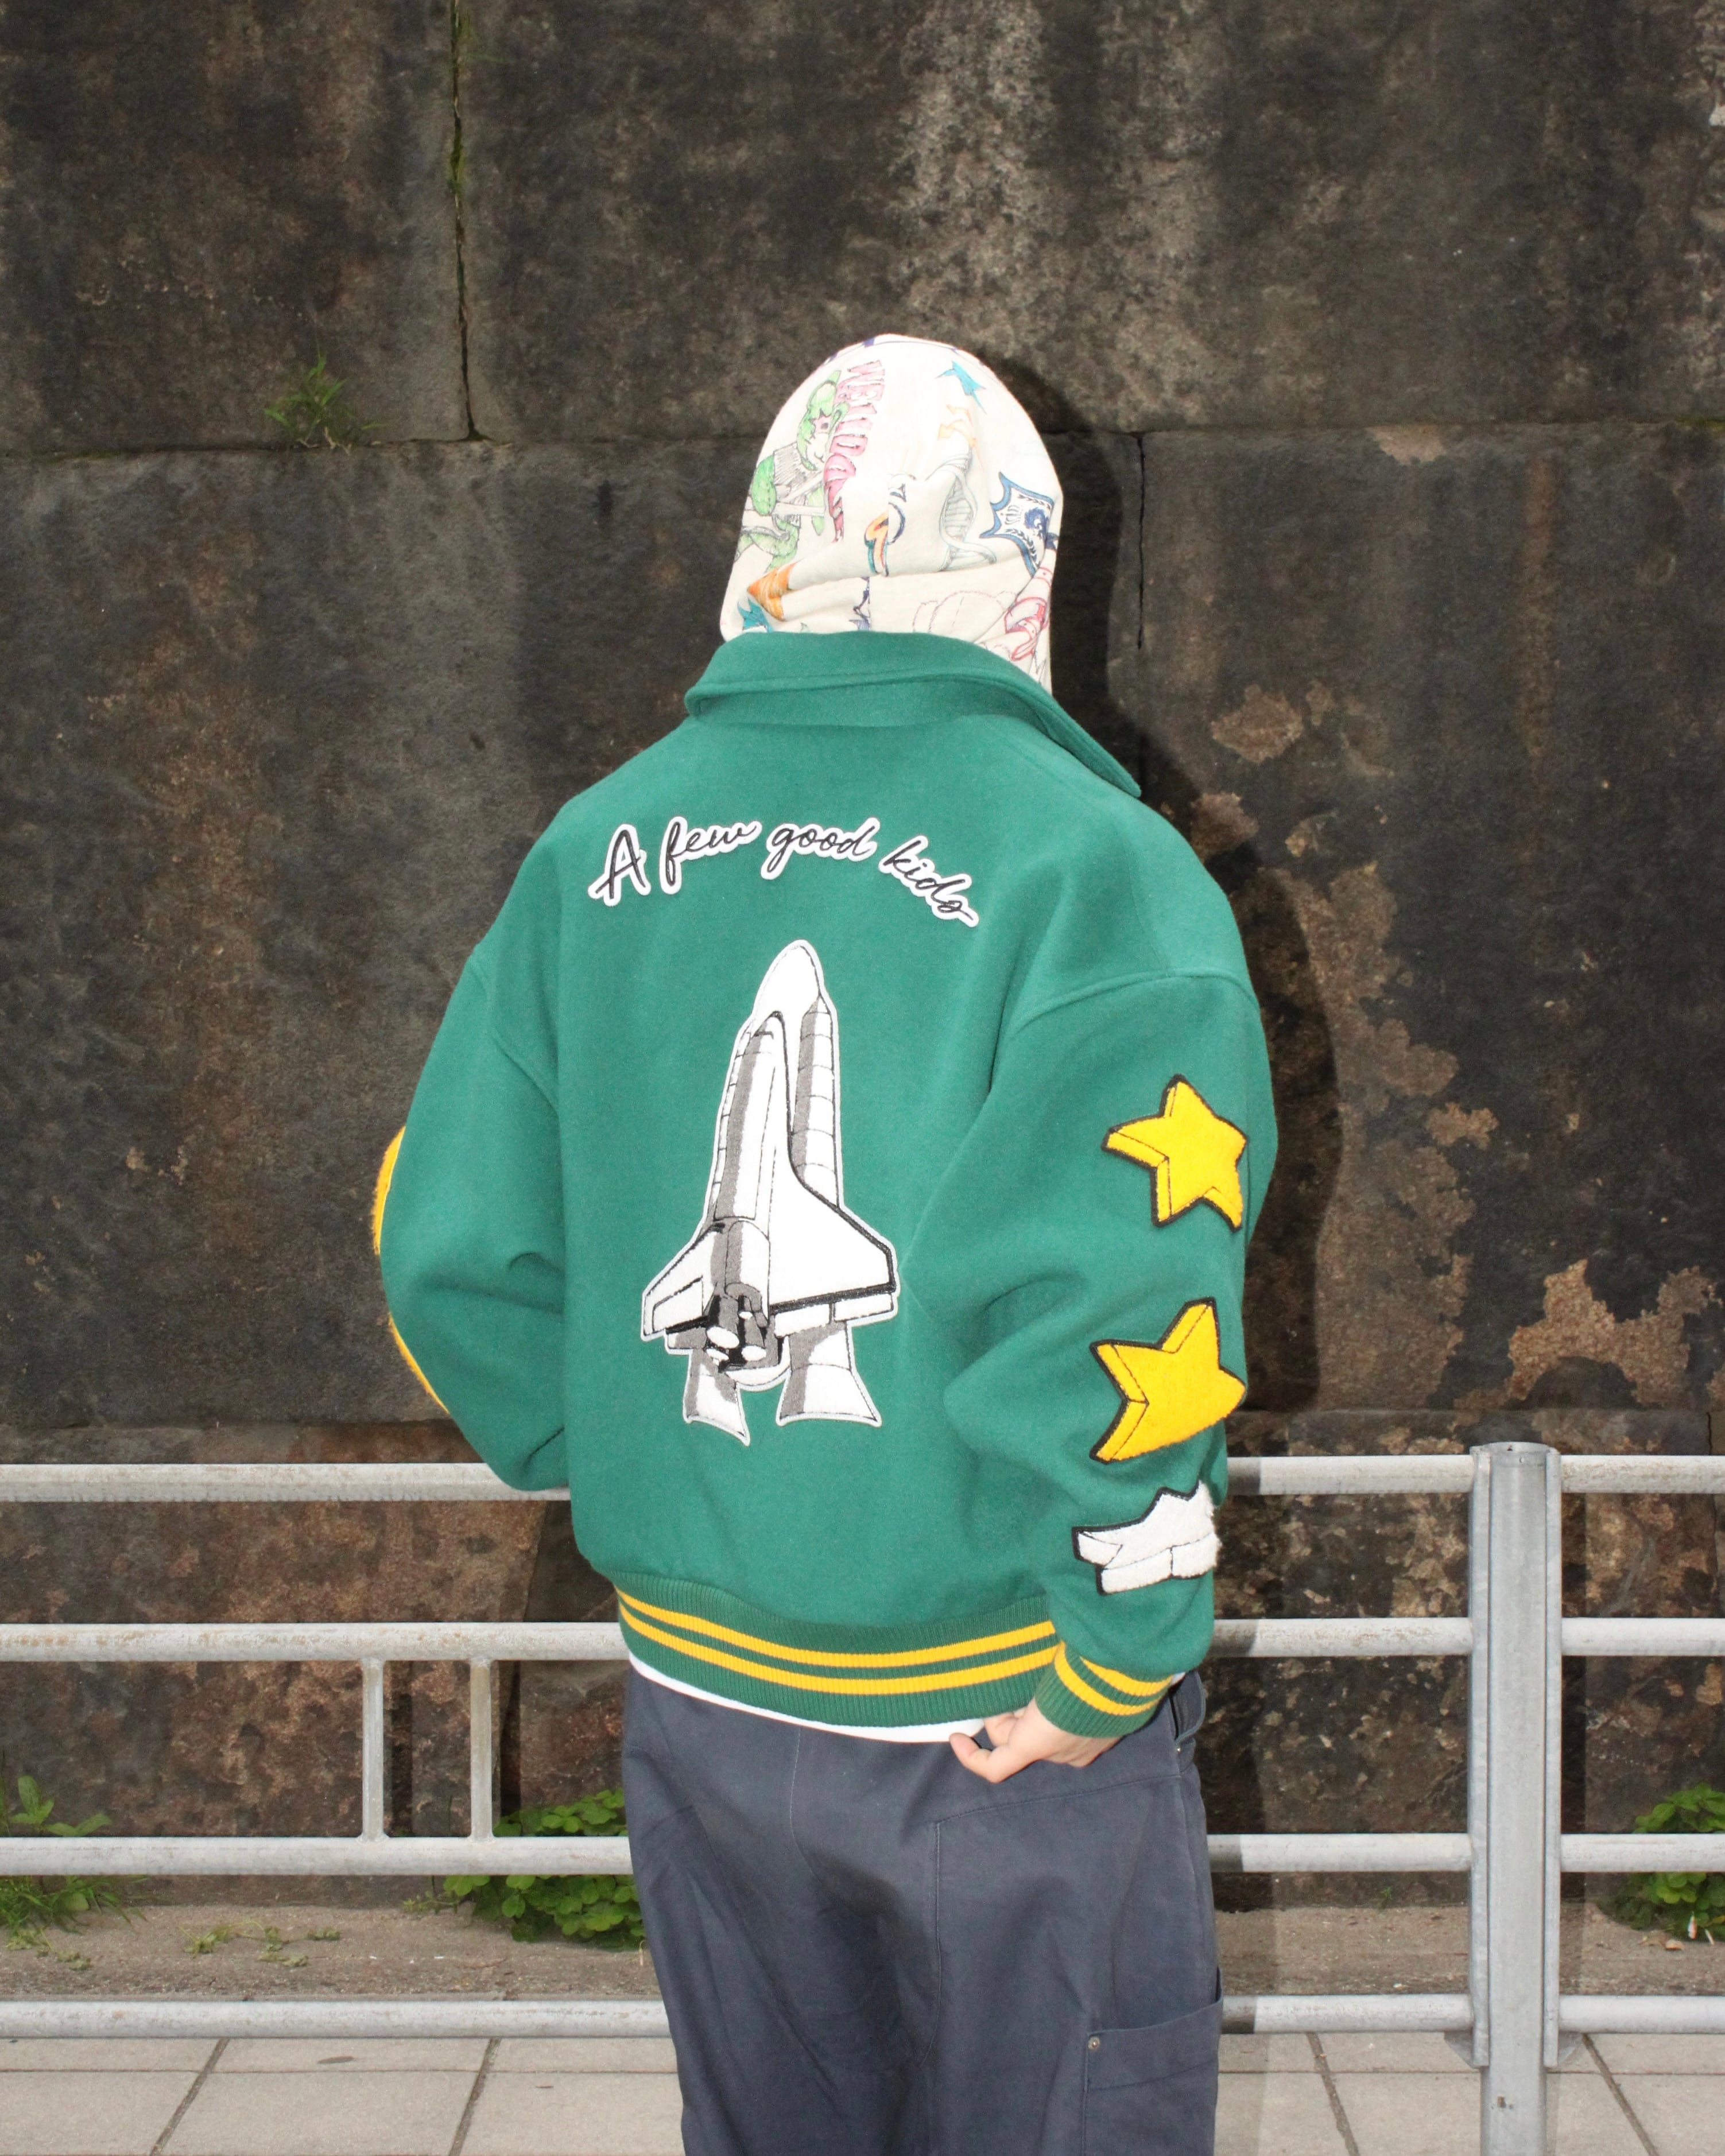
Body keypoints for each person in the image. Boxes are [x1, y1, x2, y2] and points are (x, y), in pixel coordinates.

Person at [375, 334, 1277, 2156]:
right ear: (1026, 569)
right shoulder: (1099, 870)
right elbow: (1119, 1290)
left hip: (699, 1703)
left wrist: (626, 1454)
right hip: (1004, 1716)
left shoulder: (593, 848)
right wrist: (1121, 1643)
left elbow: (443, 1243)